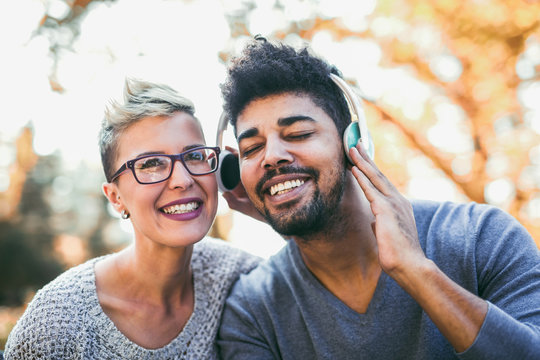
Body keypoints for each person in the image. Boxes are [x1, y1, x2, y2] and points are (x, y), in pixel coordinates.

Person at [217, 36, 540, 359]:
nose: (271, 156)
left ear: (352, 142)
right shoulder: (252, 309)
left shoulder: (482, 237)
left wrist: (416, 270)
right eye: (251, 149)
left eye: (298, 134)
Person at [4, 78, 261, 359]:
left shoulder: (237, 275)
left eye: (195, 155)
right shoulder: (56, 324)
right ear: (115, 198)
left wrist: (267, 211)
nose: (183, 180)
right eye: (151, 164)